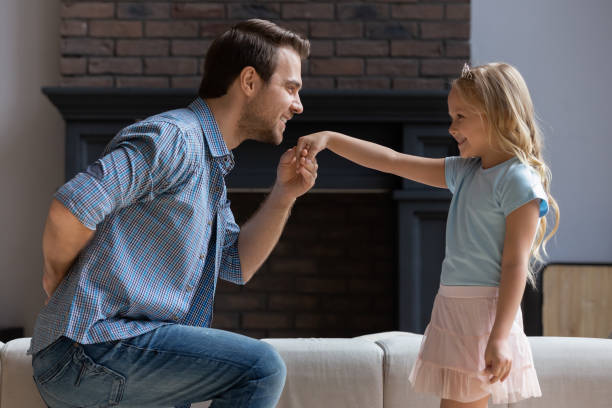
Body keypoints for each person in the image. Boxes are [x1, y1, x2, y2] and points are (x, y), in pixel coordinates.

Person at [30, 19, 317, 408]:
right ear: (249, 82)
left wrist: (285, 193)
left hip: (109, 354)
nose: (298, 105)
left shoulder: (210, 163)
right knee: (261, 367)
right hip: (89, 351)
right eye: (291, 87)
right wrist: (55, 277)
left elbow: (237, 263)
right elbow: (72, 207)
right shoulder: (175, 139)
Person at [294, 62, 559, 408]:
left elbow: (514, 265)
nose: (451, 128)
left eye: (460, 117)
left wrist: (499, 337)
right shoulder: (465, 173)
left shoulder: (518, 181)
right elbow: (391, 160)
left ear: (498, 115)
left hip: (485, 315)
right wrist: (330, 138)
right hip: (453, 307)